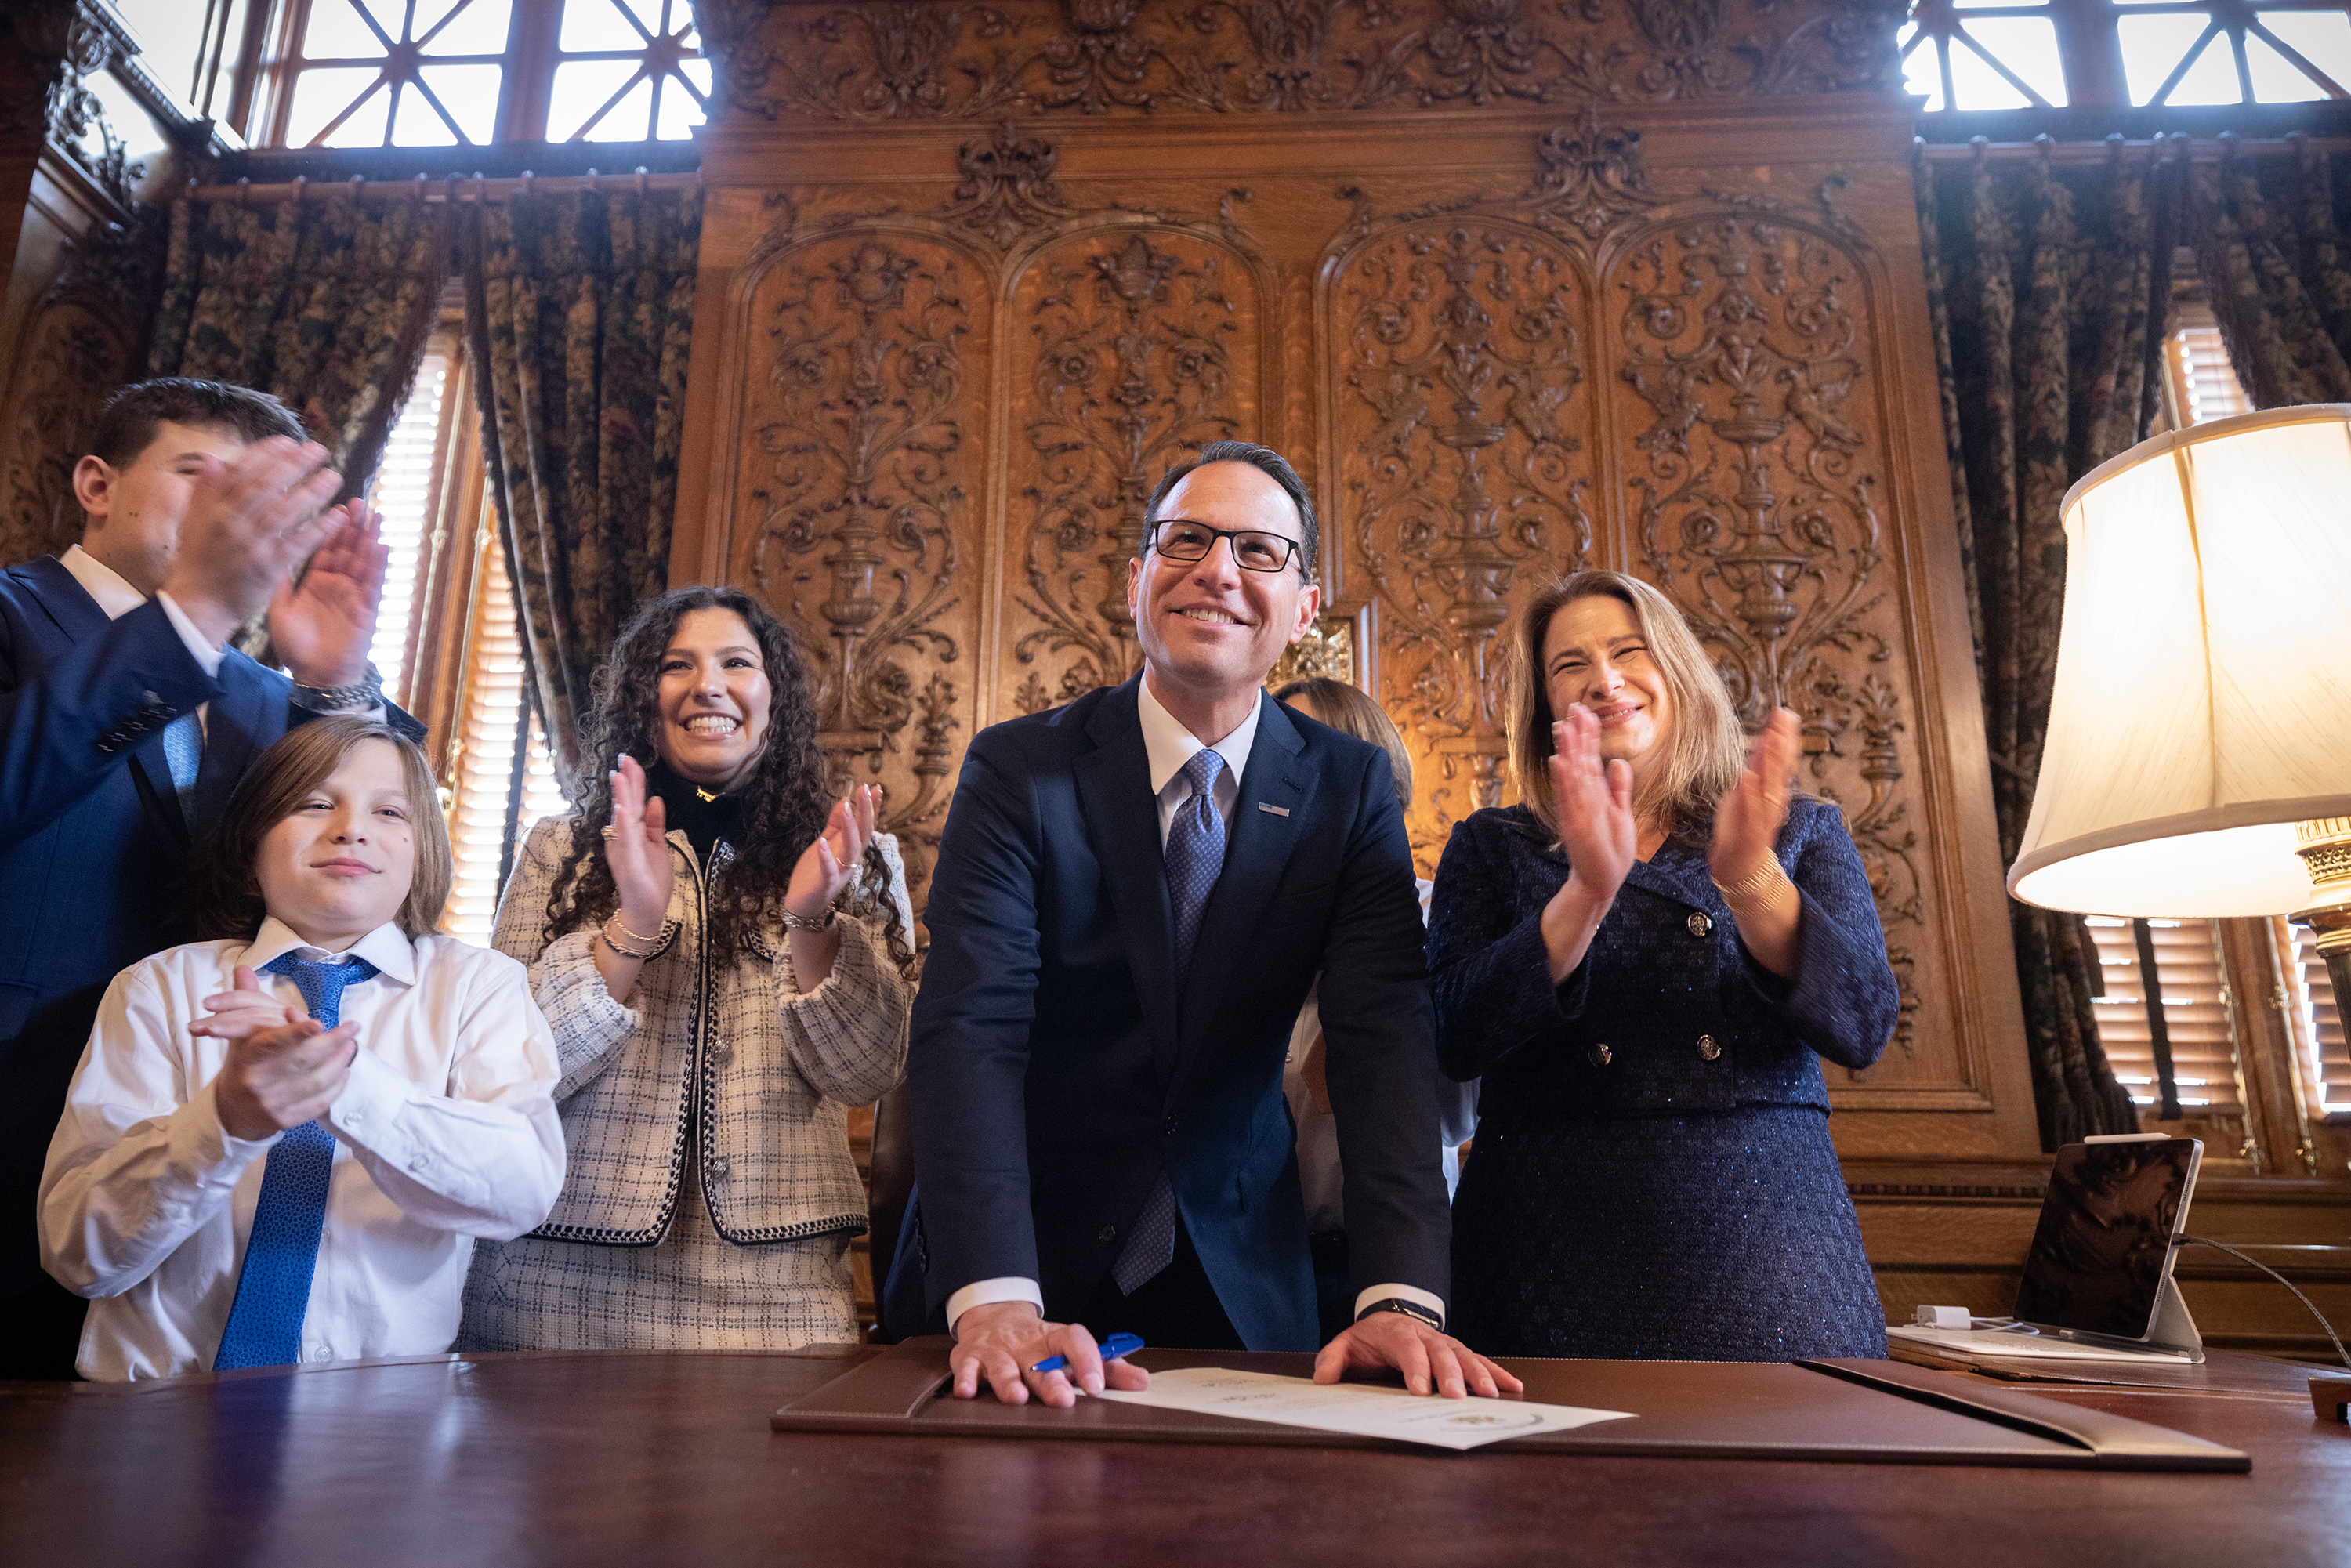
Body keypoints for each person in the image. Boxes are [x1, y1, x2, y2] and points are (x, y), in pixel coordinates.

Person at [884, 440, 1521, 1409]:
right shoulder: (1019, 769)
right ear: (1137, 579)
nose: (1217, 571)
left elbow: (1382, 1040)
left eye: (1259, 551)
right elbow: (974, 1027)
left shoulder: (1346, 789)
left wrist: (1400, 1297)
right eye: (1187, 540)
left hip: (1245, 1278)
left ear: (1304, 608)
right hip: (1021, 1269)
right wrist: (996, 1295)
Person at [0, 378, 415, 1378]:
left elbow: (365, 860)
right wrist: (189, 611)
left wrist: (335, 685)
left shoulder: (265, 694)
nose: (233, 514)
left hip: (178, 1156)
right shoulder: (11, 616)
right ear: (97, 484)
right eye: (200, 477)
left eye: (263, 498)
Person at [1429, 570, 1898, 1361]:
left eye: (1627, 650)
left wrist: (1751, 880)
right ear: (1545, 705)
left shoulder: (1799, 830)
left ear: (1675, 670)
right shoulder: (1492, 844)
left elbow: (1863, 1024)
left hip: (1768, 1240)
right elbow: (1454, 1037)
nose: (1605, 680)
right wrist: (1585, 894)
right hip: (1545, 1242)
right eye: (1569, 665)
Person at [457, 586, 916, 1353]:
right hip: (552, 1296)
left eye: (737, 662)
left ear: (776, 698)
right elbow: (506, 1072)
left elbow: (867, 1071)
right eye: (679, 665)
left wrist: (810, 920)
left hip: (779, 1307)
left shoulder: (855, 857)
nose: (709, 684)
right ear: (646, 698)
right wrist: (634, 923)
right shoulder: (560, 850)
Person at [38, 717, 563, 1381]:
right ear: (252, 842)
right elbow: (77, 1253)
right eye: (315, 803)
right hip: (152, 1424)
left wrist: (343, 1083)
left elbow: (520, 1192)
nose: (350, 827)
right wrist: (224, 1121)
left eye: (389, 810)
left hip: (382, 1431)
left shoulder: (479, 988)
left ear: (421, 851)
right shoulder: (157, 989)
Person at [1269, 675, 1478, 1342]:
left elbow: (1454, 1116)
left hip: (1394, 1257)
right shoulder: (1239, 926)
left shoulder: (1429, 919)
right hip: (1261, 1259)